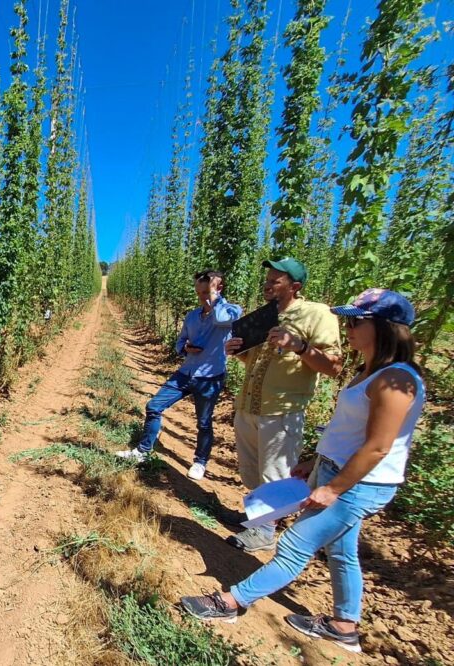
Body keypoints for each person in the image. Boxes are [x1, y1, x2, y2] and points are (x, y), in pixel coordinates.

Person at [181, 289, 424, 655]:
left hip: (359, 483)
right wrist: (318, 461)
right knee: (342, 552)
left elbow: (378, 447)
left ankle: (230, 603)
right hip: (337, 471)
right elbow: (350, 431)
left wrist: (335, 489)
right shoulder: (371, 372)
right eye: (348, 320)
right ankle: (344, 625)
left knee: (295, 545)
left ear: (386, 328)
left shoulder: (397, 381)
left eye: (358, 321)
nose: (349, 328)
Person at [225, 258, 342, 552]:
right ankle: (258, 517)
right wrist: (237, 352)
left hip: (281, 410)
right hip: (249, 406)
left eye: (276, 280)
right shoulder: (265, 316)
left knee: (274, 474)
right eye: (267, 279)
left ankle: (265, 532)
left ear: (296, 286)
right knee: (252, 471)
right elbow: (254, 360)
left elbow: (334, 366)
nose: (267, 284)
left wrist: (299, 345)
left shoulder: (317, 314)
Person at [116, 270, 243, 480]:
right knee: (154, 406)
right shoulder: (192, 316)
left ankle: (200, 462)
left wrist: (214, 298)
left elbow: (221, 318)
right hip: (185, 373)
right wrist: (185, 348)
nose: (201, 296)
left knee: (203, 422)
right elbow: (179, 342)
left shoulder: (231, 311)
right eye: (199, 292)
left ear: (218, 288)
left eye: (206, 291)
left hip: (210, 377)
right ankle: (143, 451)